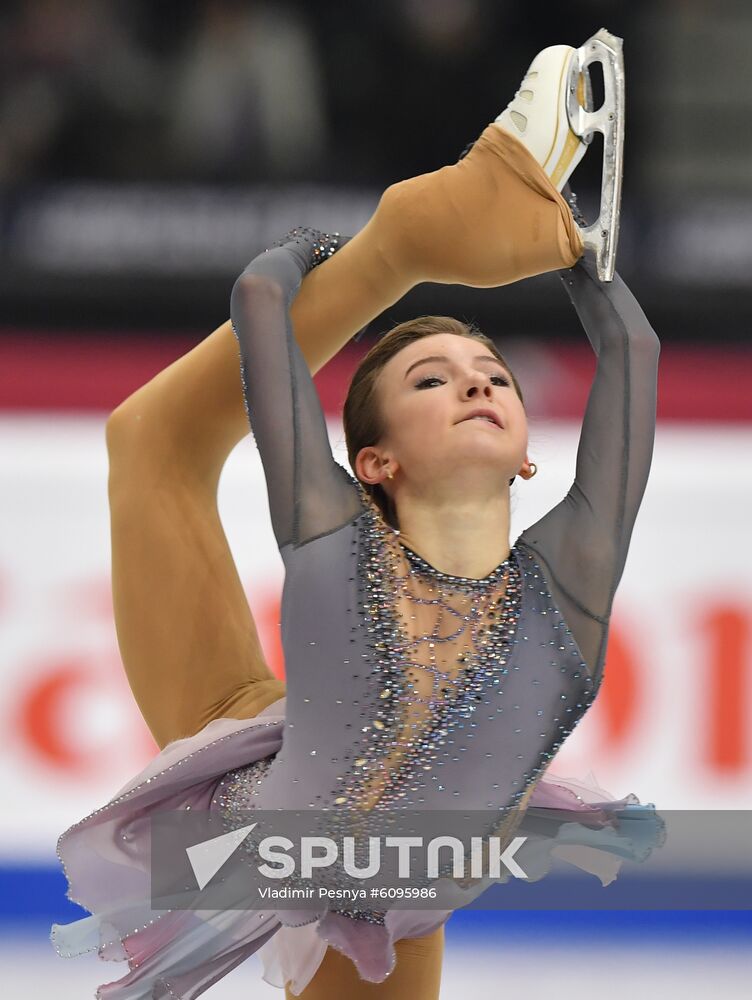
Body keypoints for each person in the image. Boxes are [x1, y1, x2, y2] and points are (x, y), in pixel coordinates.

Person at [51, 33, 663, 1000]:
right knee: (154, 445)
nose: (476, 384)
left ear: (529, 448)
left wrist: (586, 261)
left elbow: (633, 353)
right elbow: (247, 316)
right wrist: (333, 251)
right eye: (434, 377)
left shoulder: (572, 574)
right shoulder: (336, 533)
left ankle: (415, 238)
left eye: (494, 375)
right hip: (251, 829)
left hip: (394, 882)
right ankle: (413, 237)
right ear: (372, 461)